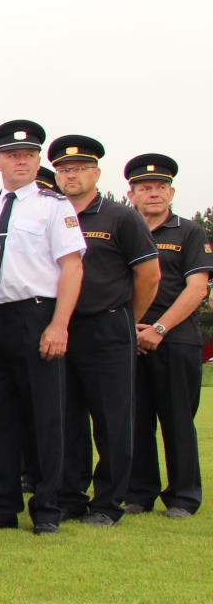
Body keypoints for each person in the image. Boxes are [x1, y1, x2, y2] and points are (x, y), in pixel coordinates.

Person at [0, 120, 86, 534]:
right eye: (11, 155)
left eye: (27, 155)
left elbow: (72, 268)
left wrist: (60, 324)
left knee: (45, 416)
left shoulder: (54, 206)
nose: (20, 161)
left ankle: (48, 507)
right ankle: (1, 505)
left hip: (37, 314)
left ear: (38, 160)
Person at [49, 135, 160, 525]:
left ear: (96, 172)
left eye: (79, 168)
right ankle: (69, 498)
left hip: (107, 325)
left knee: (112, 419)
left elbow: (148, 274)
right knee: (67, 419)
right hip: (60, 326)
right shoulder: (51, 214)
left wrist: (128, 317)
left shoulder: (120, 216)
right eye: (64, 169)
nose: (71, 175)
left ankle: (108, 503)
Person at [124, 154, 211, 517]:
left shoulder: (189, 232)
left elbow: (197, 289)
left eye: (160, 187)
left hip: (175, 339)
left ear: (172, 191)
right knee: (134, 419)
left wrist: (159, 328)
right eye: (145, 188)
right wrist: (132, 328)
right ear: (132, 194)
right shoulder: (124, 229)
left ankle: (183, 496)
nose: (153, 193)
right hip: (129, 336)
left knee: (176, 419)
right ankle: (139, 494)